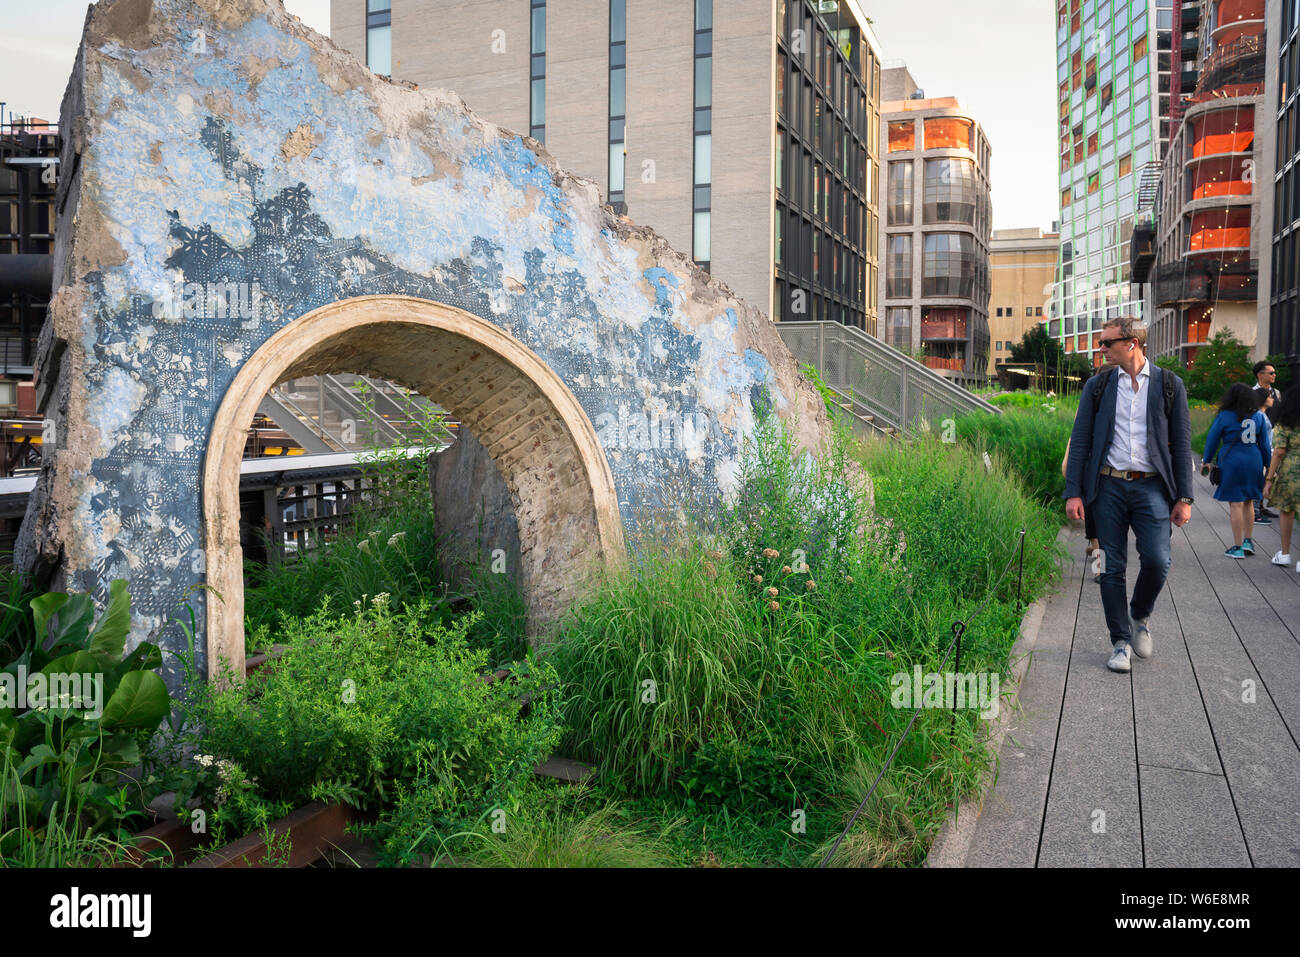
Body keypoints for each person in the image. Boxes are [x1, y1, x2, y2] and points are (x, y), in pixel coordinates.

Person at [1064, 317, 1194, 674]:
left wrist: (1184, 497)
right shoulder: (1098, 386)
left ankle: (1140, 614)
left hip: (1152, 485)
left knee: (1157, 559)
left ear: (1132, 343)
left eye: (1107, 343)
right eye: (1101, 343)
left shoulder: (1170, 385)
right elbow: (1081, 443)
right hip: (1107, 487)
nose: (1100, 349)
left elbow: (1182, 445)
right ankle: (1120, 642)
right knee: (1110, 567)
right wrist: (1073, 492)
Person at [1202, 383, 1272, 559]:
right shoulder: (1258, 416)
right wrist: (1268, 465)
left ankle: (1237, 546)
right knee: (1249, 500)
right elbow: (1264, 444)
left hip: (1232, 460)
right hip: (1253, 460)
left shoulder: (1224, 415)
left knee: (1236, 503)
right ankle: (1248, 541)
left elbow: (1212, 439)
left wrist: (1207, 460)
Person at [1263, 382, 1300, 572]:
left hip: (1290, 470)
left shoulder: (1285, 423)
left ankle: (1285, 553)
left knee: (1287, 511)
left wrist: (1269, 480)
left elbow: (1278, 452)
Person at [1253, 361, 1282, 521]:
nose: (1274, 375)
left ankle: (1261, 506)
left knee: (1267, 475)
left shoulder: (1276, 393)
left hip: (1274, 437)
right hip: (1260, 438)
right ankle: (1257, 508)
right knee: (1261, 473)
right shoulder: (1251, 393)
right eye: (1271, 372)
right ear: (1260, 374)